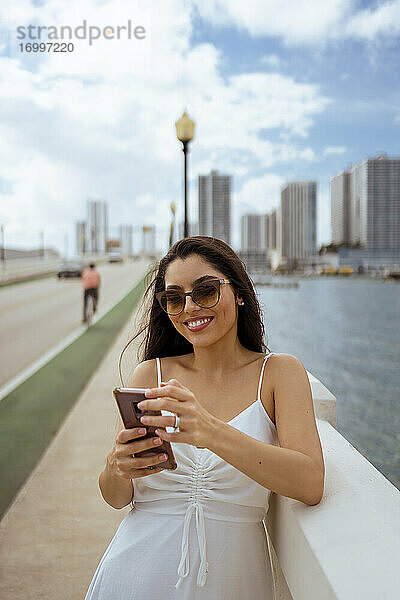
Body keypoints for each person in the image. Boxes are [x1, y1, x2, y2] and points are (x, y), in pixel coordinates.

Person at [85, 236, 325, 600]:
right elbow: (116, 498)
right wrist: (116, 467)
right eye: (174, 298)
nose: (191, 307)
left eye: (206, 290)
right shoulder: (151, 375)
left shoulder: (279, 373)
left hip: (234, 581)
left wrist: (210, 431)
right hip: (134, 575)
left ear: (239, 292)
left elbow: (309, 483)